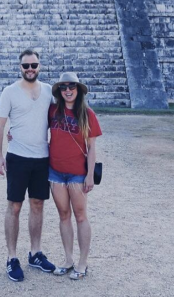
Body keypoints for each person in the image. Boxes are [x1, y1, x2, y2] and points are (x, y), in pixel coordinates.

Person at [0, 49, 58, 282]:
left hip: (42, 158)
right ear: (19, 67)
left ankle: (35, 253)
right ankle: (12, 257)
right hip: (18, 157)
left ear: (39, 66)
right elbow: (0, 126)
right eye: (26, 66)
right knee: (15, 206)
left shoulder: (50, 91)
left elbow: (65, 114)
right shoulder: (10, 92)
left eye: (34, 65)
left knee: (38, 204)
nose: (30, 69)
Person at [48, 72, 102, 280]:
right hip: (55, 172)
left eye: (72, 87)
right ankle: (68, 259)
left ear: (78, 90)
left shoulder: (87, 114)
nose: (68, 90)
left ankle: (82, 262)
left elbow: (91, 148)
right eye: (64, 87)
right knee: (63, 215)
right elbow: (34, 127)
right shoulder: (53, 111)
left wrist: (89, 175)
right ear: (59, 91)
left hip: (77, 173)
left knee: (80, 216)